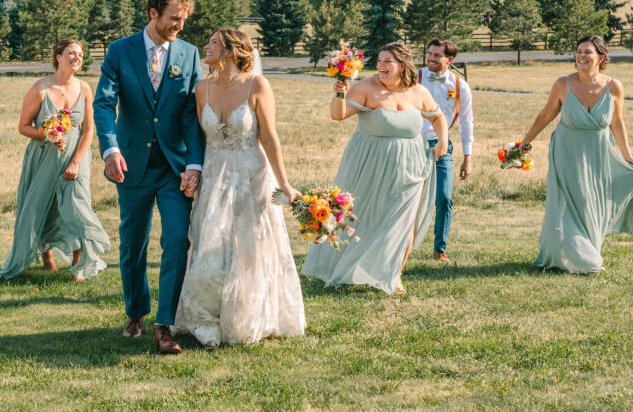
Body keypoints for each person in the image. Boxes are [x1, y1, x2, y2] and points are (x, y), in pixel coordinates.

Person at [174, 29, 305, 348]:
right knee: (210, 245)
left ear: (232, 51)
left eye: (214, 43)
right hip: (216, 175)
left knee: (248, 246)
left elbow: (269, 138)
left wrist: (285, 183)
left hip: (252, 175)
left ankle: (247, 315)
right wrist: (192, 170)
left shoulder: (257, 85)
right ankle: (206, 318)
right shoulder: (201, 88)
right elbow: (198, 137)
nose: (206, 45)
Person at [93, 0, 205, 355]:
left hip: (175, 167)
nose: (179, 26)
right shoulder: (119, 50)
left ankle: (165, 323)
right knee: (132, 243)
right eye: (174, 19)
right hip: (130, 164)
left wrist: (194, 163)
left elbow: (191, 113)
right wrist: (109, 149)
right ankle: (135, 311)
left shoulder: (188, 54)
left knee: (176, 240)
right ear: (153, 14)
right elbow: (104, 103)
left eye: (184, 20)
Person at [301, 41, 447, 295]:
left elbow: (437, 116)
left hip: (411, 165)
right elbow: (338, 115)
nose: (380, 65)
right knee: (364, 215)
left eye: (387, 61)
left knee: (404, 220)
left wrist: (442, 141)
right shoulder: (366, 87)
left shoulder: (418, 91)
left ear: (402, 66)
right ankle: (346, 265)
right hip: (370, 163)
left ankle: (395, 275)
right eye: (379, 60)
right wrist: (339, 93)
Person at [520, 35, 633, 274]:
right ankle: (573, 255)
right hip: (565, 153)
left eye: (587, 52)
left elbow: (617, 123)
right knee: (567, 204)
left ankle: (586, 250)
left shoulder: (614, 87)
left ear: (601, 58)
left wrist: (627, 155)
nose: (581, 56)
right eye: (578, 51)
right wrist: (525, 142)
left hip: (598, 154)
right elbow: (546, 115)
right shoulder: (562, 84)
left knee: (591, 203)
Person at [0, 39, 110, 281]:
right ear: (58, 56)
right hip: (43, 157)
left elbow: (89, 130)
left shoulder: (85, 88)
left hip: (76, 157)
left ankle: (80, 261)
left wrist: (77, 161)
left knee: (77, 207)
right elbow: (23, 127)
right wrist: (47, 134)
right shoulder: (40, 88)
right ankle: (45, 254)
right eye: (71, 53)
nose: (77, 57)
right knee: (40, 207)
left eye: (80, 54)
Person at [417, 39, 474, 263]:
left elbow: (466, 122)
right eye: (429, 53)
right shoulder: (415, 78)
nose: (430, 58)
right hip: (413, 144)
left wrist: (467, 158)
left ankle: (439, 249)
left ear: (449, 60)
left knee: (444, 197)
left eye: (436, 55)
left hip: (442, 146)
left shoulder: (460, 86)